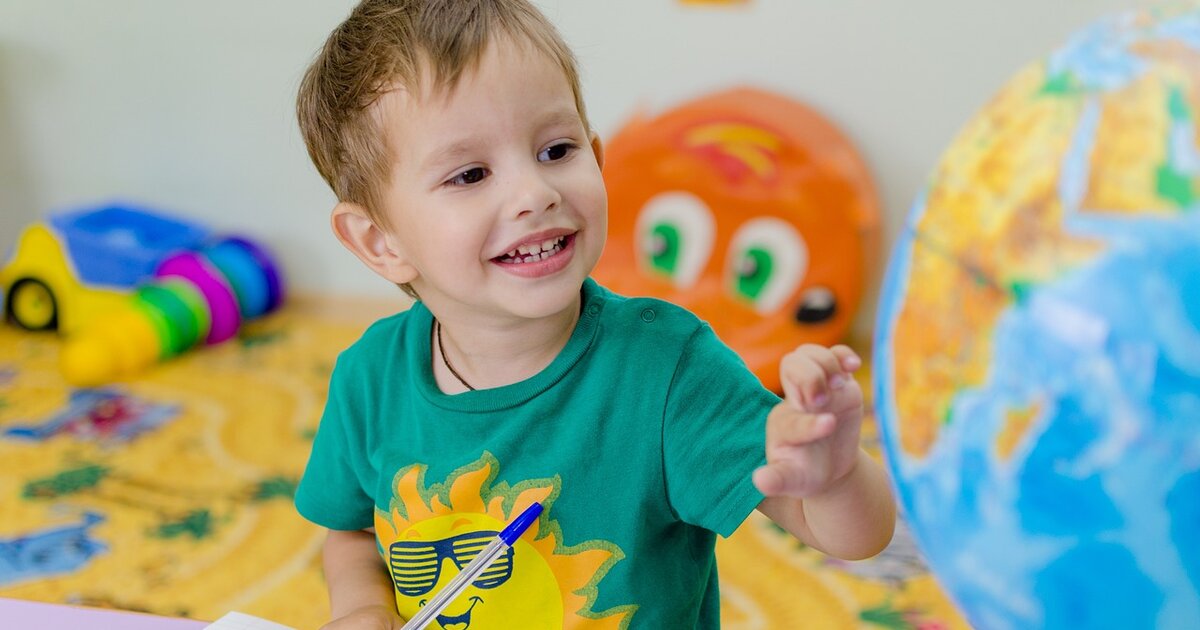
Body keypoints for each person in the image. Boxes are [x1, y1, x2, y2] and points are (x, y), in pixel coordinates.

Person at [293, 1, 897, 627]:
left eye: (556, 149)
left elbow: (854, 537)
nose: (535, 193)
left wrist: (836, 478)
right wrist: (361, 606)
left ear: (598, 157)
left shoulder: (669, 372)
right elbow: (351, 530)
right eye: (470, 174)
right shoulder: (368, 378)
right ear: (379, 242)